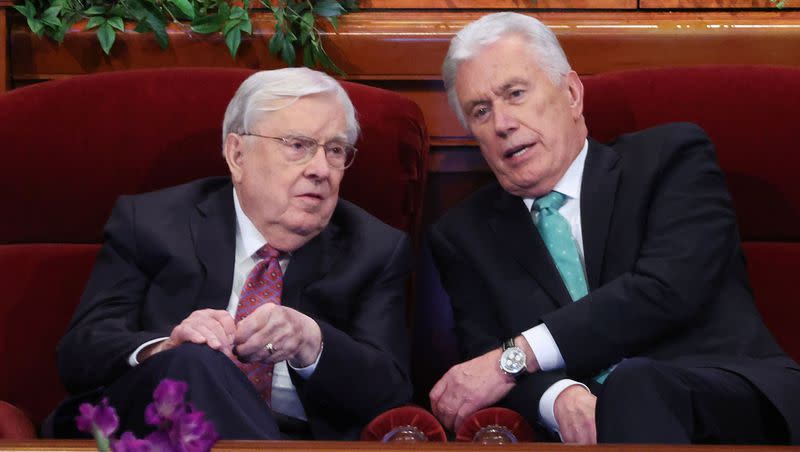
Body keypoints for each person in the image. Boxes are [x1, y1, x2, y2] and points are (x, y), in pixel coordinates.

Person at [427, 12, 800, 444]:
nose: (502, 123)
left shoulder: (670, 159)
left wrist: (519, 354)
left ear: (570, 93)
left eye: (515, 94)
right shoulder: (462, 236)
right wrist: (558, 396)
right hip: (593, 430)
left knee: (635, 384)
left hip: (724, 401)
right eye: (481, 110)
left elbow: (666, 290)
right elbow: (480, 364)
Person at [49, 67, 412, 440]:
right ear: (237, 155)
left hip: (294, 442)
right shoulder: (153, 223)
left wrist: (311, 341)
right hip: (155, 433)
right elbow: (81, 353)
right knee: (196, 361)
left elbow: (391, 394)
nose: (321, 169)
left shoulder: (374, 248)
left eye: (335, 150)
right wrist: (165, 348)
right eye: (297, 145)